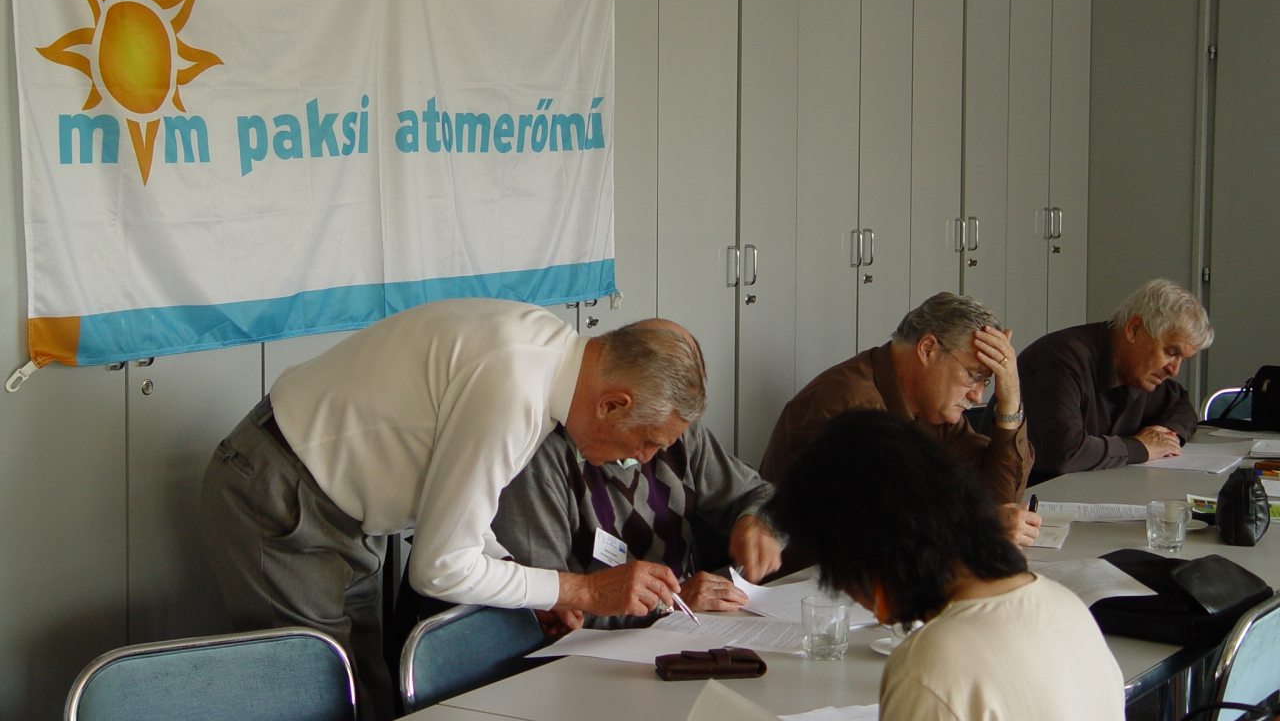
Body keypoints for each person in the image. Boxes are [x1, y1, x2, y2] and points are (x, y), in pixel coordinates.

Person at [200, 298, 705, 721]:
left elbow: (465, 519)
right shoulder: (515, 387)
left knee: (365, 691)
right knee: (324, 699)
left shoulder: (547, 354)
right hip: (284, 488)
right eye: (649, 441)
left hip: (336, 501)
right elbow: (439, 569)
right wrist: (582, 590)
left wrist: (533, 588)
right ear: (613, 404)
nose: (644, 458)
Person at [769, 409, 1125, 721]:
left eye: (833, 567)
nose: (843, 589)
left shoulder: (932, 666)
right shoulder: (1065, 607)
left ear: (866, 547)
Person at [759, 292, 1038, 545]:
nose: (977, 396)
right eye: (973, 376)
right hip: (812, 578)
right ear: (928, 349)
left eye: (986, 382)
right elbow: (870, 530)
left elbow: (996, 501)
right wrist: (976, 526)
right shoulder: (842, 404)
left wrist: (1010, 400)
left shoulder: (933, 408)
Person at [482, 419, 782, 629]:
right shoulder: (544, 459)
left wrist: (758, 520)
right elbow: (543, 614)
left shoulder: (680, 433)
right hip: (591, 660)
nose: (658, 451)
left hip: (688, 630)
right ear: (615, 404)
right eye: (651, 439)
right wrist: (670, 605)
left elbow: (759, 494)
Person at [1020, 278, 1213, 483]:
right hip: (1035, 496)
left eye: (1183, 359)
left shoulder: (1140, 371)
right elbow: (1063, 452)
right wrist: (1140, 447)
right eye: (1171, 352)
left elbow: (1182, 407)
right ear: (1134, 329)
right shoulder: (1058, 360)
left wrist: (1164, 435)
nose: (1174, 370)